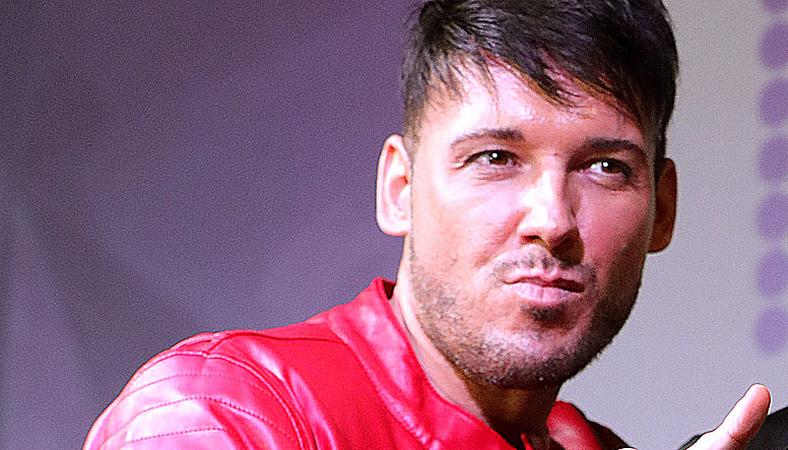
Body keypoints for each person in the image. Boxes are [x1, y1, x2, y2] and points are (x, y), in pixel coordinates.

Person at [84, 1, 772, 449]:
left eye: (605, 168)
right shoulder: (224, 415)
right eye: (495, 158)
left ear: (663, 209)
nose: (551, 220)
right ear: (400, 189)